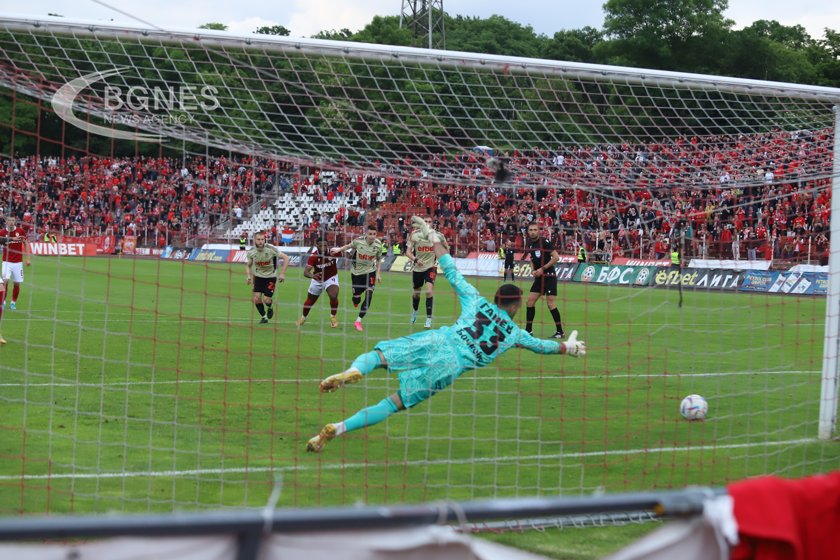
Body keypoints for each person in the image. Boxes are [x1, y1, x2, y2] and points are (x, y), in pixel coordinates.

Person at [306, 217, 586, 453]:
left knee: (378, 356)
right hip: (450, 367)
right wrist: (567, 347)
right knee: (393, 403)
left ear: (496, 298)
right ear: (514, 306)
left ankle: (352, 371)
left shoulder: (477, 301)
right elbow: (541, 347)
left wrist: (432, 236)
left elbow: (450, 269)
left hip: (439, 339)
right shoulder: (514, 333)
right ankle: (338, 429)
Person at [331, 224, 383, 332]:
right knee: (356, 298)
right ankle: (356, 299)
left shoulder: (378, 245)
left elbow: (378, 259)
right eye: (370, 234)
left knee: (369, 295)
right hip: (356, 274)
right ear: (366, 234)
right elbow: (348, 246)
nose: (372, 236)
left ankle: (358, 321)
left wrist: (378, 273)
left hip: (370, 272)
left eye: (374, 234)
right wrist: (338, 250)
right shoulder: (358, 241)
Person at [405, 217, 448, 329]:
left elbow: (446, 248)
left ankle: (428, 319)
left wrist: (444, 258)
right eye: (425, 221)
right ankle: (415, 311)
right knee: (416, 293)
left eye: (429, 222)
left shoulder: (438, 235)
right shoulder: (414, 235)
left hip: (431, 267)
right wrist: (415, 260)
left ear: (432, 224)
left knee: (429, 291)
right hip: (418, 268)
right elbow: (408, 252)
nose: (427, 224)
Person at [524, 222, 564, 339]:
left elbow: (556, 257)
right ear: (528, 231)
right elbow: (531, 259)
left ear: (539, 231)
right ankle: (528, 331)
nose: (532, 232)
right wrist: (532, 270)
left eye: (535, 230)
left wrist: (542, 269)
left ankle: (560, 332)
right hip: (539, 277)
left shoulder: (544, 242)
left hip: (549, 276)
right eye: (530, 230)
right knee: (530, 301)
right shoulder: (530, 243)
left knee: (550, 304)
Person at [245, 231, 290, 324]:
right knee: (256, 298)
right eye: (258, 239)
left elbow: (286, 258)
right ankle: (264, 317)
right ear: (254, 240)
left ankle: (270, 307)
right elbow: (248, 265)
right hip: (258, 277)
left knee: (266, 299)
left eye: (262, 239)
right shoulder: (251, 252)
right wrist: (248, 277)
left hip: (271, 277)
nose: (261, 241)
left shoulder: (270, 249)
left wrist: (282, 273)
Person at [296, 239, 339, 328]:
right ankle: (303, 317)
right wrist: (313, 276)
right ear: (317, 246)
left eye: (325, 245)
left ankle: (333, 317)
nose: (323, 248)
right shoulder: (314, 256)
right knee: (310, 301)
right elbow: (306, 272)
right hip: (317, 280)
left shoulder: (333, 252)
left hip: (331, 278)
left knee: (334, 295)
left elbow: (346, 255)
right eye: (321, 246)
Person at [0, 216, 30, 313]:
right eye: (9, 220)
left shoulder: (21, 231)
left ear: (15, 221)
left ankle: (13, 302)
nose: (11, 222)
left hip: (18, 263)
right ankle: (3, 301)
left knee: (17, 283)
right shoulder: (2, 232)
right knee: (5, 281)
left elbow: (25, 243)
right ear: (6, 222)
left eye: (13, 220)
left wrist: (28, 258)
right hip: (6, 262)